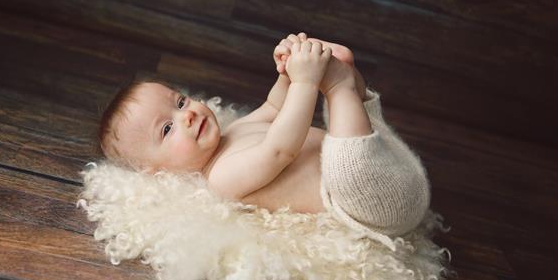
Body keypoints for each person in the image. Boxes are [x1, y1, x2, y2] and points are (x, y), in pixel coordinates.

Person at [97, 33, 431, 250]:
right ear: (158, 172)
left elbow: (274, 107)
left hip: (390, 163)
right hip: (370, 202)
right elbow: (279, 150)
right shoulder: (222, 178)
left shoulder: (236, 130)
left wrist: (286, 72)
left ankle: (344, 83)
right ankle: (340, 85)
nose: (186, 115)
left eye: (180, 101)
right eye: (167, 129)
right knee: (343, 134)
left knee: (349, 124)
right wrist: (307, 82)